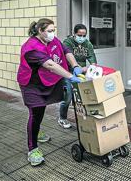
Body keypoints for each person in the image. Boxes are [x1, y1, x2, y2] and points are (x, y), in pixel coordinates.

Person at [17, 18, 83, 166]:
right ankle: (32, 149)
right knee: (36, 112)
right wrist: (70, 76)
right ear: (40, 31)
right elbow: (50, 65)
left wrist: (75, 65)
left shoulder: (52, 40)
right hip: (31, 84)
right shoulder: (31, 47)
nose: (53, 34)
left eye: (54, 30)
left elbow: (66, 51)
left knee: (41, 110)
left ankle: (36, 131)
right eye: (50, 31)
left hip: (46, 81)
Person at [57, 24, 97, 129]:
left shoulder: (87, 44)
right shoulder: (68, 42)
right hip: (67, 73)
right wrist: (79, 67)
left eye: (84, 35)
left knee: (81, 97)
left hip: (81, 74)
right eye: (80, 35)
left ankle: (81, 119)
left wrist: (91, 67)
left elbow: (92, 59)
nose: (82, 38)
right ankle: (62, 118)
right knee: (68, 96)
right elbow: (68, 57)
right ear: (74, 34)